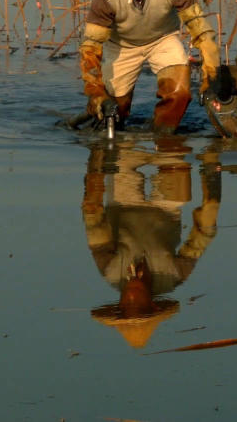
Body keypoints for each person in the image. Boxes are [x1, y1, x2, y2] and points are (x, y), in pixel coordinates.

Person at [79, 0, 220, 133]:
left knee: (179, 93)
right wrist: (97, 94)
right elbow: (90, 48)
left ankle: (164, 140)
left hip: (162, 40)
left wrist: (211, 79)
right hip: (121, 46)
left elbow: (201, 32)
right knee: (113, 111)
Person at [82, 137, 221, 348]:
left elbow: (93, 222)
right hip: (166, 208)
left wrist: (96, 167)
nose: (129, 297)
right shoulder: (172, 276)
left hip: (123, 201)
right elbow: (202, 237)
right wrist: (212, 187)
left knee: (124, 142)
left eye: (124, 304)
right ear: (154, 305)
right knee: (173, 146)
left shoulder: (111, 272)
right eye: (136, 304)